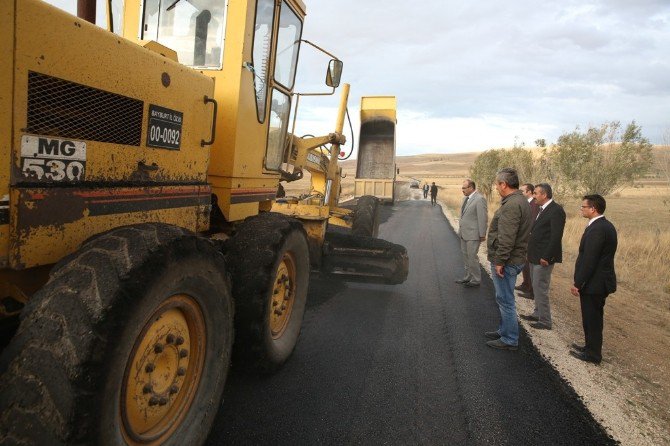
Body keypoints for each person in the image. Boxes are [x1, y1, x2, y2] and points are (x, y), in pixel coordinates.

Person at [485, 168, 531, 350]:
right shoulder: (520, 200)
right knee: (504, 298)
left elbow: (507, 237)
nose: (496, 188)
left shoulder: (512, 205)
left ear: (504, 184)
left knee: (505, 300)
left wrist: (500, 261)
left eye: (497, 184)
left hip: (508, 261)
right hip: (515, 258)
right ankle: (504, 330)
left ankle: (509, 339)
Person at [570, 194, 617, 364]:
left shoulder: (598, 229)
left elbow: (590, 259)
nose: (581, 209)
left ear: (593, 209)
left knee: (593, 319)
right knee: (590, 318)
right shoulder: (603, 225)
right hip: (596, 282)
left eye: (583, 207)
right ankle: (589, 347)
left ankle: (593, 354)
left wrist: (578, 283)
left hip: (595, 283)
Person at [519, 183, 566, 330]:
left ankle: (545, 321)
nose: (534, 196)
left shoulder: (556, 211)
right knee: (535, 286)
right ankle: (537, 313)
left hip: (543, 258)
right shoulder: (541, 209)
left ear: (544, 195)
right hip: (534, 255)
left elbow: (555, 237)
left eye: (536, 194)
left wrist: (547, 256)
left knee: (541, 288)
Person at [455, 179, 487, 288]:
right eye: (462, 187)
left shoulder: (479, 199)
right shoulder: (465, 199)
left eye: (464, 188)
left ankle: (476, 279)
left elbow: (482, 218)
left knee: (472, 256)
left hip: (473, 234)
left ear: (471, 188)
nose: (462, 190)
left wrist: (482, 234)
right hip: (464, 233)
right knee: (465, 256)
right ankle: (468, 276)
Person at [516, 183, 539, 298]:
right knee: (525, 263)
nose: (521, 193)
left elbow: (532, 222)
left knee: (529, 263)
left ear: (529, 192)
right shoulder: (526, 203)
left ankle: (530, 289)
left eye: (523, 191)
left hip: (529, 238)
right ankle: (525, 284)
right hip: (524, 238)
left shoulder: (534, 204)